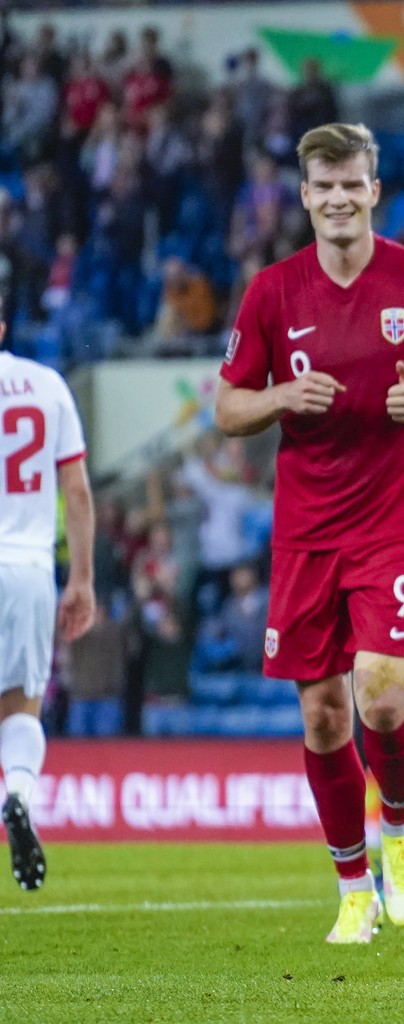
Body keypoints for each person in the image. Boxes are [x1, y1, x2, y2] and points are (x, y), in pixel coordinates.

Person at [213, 123, 404, 943]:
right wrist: (280, 398)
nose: (338, 199)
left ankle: (401, 836)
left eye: (352, 186)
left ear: (374, 191)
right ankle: (352, 889)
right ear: (304, 197)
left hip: (394, 519)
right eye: (323, 187)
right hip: (306, 530)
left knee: (380, 697)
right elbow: (231, 405)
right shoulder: (272, 292)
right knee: (323, 720)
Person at [0, 307, 96, 891]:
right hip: (29, 570)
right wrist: (80, 578)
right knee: (20, 706)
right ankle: (16, 794)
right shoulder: (47, 385)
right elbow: (78, 491)